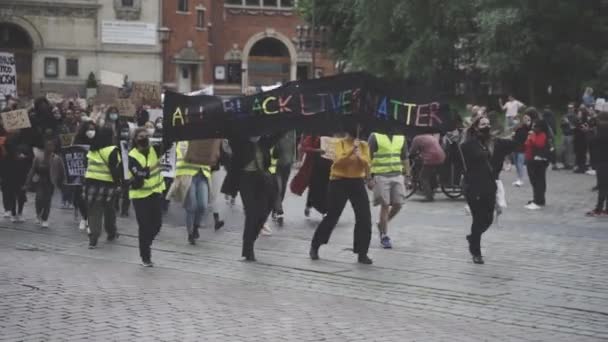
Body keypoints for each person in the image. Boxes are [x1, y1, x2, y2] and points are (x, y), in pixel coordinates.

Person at [460, 116, 524, 264]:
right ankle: (476, 252)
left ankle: (473, 238)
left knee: (488, 219)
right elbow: (464, 162)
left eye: (488, 123)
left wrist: (523, 129)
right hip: (473, 186)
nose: (487, 126)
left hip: (490, 186)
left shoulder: (495, 142)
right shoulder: (468, 145)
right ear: (476, 127)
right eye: (483, 124)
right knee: (477, 219)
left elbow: (516, 144)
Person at [309, 124, 373, 265]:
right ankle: (316, 245)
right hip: (339, 181)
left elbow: (367, 163)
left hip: (357, 182)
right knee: (332, 216)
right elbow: (338, 162)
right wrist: (351, 151)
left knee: (364, 217)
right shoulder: (338, 143)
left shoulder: (363, 145)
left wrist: (359, 156)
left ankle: (362, 252)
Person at [230, 134, 277, 261]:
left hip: (261, 178)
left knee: (263, 213)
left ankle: (251, 240)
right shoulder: (240, 142)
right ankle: (248, 249)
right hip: (245, 178)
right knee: (251, 213)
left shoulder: (264, 141)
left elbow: (278, 134)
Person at [128, 128, 166, 267]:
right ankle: (145, 256)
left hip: (155, 192)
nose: (144, 138)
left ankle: (146, 243)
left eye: (146, 136)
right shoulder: (132, 156)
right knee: (144, 226)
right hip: (140, 196)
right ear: (135, 139)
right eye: (140, 136)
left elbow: (167, 144)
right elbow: (139, 173)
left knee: (157, 224)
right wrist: (154, 167)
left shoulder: (154, 149)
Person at [368, 132, 408, 249]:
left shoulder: (401, 137)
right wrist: (369, 177)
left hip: (397, 174)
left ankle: (381, 224)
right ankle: (384, 235)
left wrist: (408, 175)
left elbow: (404, 157)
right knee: (384, 205)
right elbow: (368, 157)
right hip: (380, 175)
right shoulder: (375, 136)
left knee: (398, 204)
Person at [84, 128, 122, 248]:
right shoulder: (112, 150)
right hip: (108, 184)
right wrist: (119, 184)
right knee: (109, 209)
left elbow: (86, 165)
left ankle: (93, 238)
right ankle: (111, 232)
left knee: (94, 211)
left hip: (91, 183)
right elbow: (115, 170)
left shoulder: (92, 149)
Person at [175, 140, 211, 245]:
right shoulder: (183, 141)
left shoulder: (206, 140)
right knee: (192, 206)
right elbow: (184, 155)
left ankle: (196, 226)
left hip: (202, 174)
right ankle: (190, 234)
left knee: (203, 205)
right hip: (187, 174)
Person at [24, 137, 65, 228]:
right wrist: (28, 182)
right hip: (40, 181)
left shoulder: (57, 159)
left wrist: (62, 183)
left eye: (52, 146)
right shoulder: (38, 157)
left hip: (51, 182)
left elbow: (62, 172)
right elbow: (32, 170)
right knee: (39, 198)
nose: (50, 147)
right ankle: (38, 214)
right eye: (48, 145)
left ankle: (45, 218)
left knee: (47, 200)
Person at [0, 129, 33, 223]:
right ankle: (13, 213)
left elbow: (30, 156)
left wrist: (25, 157)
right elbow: (4, 157)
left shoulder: (26, 143)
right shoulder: (7, 142)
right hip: (11, 172)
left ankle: (20, 213)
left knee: (21, 194)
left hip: (22, 173)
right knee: (12, 193)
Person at [73, 121, 97, 231]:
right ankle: (84, 216)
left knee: (91, 196)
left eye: (93, 129)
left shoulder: (98, 142)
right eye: (88, 129)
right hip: (80, 171)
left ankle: (89, 219)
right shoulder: (78, 141)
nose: (91, 131)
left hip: (94, 172)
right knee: (79, 196)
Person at [409, 134, 446, 201]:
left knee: (423, 177)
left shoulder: (416, 138)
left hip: (431, 157)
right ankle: (433, 189)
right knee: (430, 173)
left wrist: (410, 156)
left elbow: (412, 151)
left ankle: (429, 197)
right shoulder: (430, 136)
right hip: (441, 156)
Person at [271, 130, 296, 225]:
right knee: (278, 186)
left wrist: (293, 159)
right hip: (276, 162)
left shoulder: (292, 131)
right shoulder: (277, 129)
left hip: (287, 163)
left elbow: (293, 144)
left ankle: (275, 207)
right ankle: (279, 209)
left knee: (283, 187)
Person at [524, 118, 550, 210]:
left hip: (538, 162)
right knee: (534, 181)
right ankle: (537, 198)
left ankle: (538, 200)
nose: (533, 128)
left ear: (541, 128)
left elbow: (538, 145)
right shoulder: (534, 134)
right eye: (533, 126)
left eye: (536, 126)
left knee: (538, 181)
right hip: (530, 160)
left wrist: (532, 137)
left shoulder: (542, 135)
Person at [587, 113, 608, 216]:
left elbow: (592, 142)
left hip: (602, 161)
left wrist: (590, 132)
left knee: (602, 186)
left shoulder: (601, 130)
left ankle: (598, 209)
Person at [512, 113, 534, 187]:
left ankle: (521, 180)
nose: (525, 119)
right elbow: (514, 131)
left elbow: (530, 130)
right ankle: (518, 178)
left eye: (527, 119)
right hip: (515, 147)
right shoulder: (519, 127)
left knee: (520, 163)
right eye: (524, 118)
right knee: (516, 164)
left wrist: (528, 123)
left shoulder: (529, 128)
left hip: (523, 148)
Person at [560, 103, 577, 170]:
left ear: (573, 109)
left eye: (571, 108)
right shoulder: (564, 116)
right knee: (564, 149)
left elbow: (574, 127)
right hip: (564, 134)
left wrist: (568, 122)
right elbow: (561, 125)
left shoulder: (575, 117)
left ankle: (571, 164)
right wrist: (563, 123)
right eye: (569, 108)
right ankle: (565, 164)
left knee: (571, 150)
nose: (570, 109)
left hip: (571, 135)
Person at [573, 107, 590, 173]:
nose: (578, 114)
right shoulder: (578, 120)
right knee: (579, 153)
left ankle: (582, 167)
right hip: (578, 139)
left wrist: (579, 127)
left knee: (582, 153)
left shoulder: (584, 120)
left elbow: (585, 129)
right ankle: (579, 166)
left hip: (582, 139)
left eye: (579, 113)